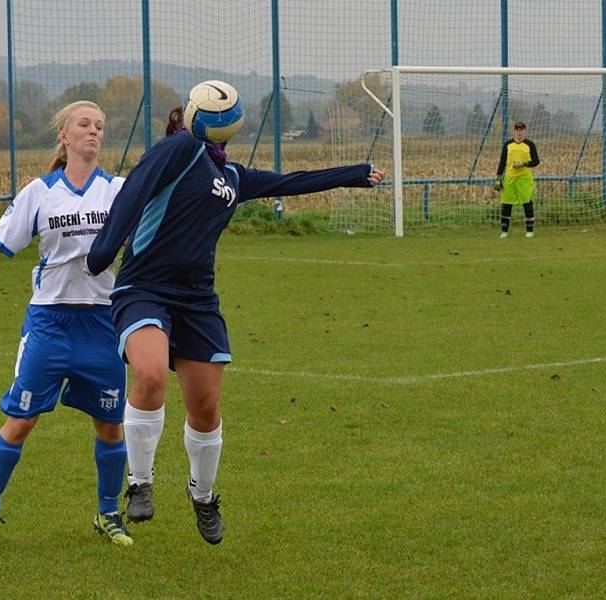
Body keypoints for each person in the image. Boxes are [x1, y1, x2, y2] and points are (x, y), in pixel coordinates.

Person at [85, 99, 385, 545]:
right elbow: (132, 196)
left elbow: (289, 183)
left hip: (198, 300)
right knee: (148, 373)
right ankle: (140, 483)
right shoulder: (177, 152)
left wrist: (355, 174)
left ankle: (202, 496)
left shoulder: (231, 176)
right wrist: (104, 250)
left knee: (205, 408)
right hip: (145, 288)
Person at [0, 101, 134, 547]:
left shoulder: (119, 190)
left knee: (110, 426)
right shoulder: (39, 192)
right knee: (21, 421)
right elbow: (2, 241)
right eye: (84, 124)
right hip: (50, 324)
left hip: (102, 323)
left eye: (100, 126)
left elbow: (150, 234)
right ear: (64, 135)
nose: (94, 132)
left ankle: (107, 513)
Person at [494, 121, 540, 238]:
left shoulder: (530, 144)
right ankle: (504, 231)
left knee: (527, 202)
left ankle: (529, 230)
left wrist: (524, 164)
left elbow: (536, 161)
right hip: (510, 177)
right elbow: (502, 161)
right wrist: (499, 177)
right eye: (517, 130)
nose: (519, 132)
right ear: (514, 131)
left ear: (525, 131)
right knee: (506, 203)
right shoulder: (508, 144)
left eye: (521, 130)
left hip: (524, 178)